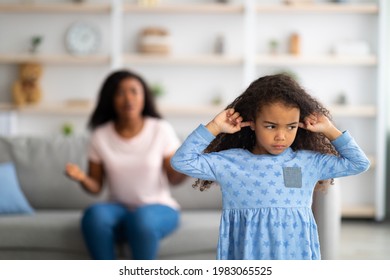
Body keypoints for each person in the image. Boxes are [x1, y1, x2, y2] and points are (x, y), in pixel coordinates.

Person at [170, 73, 370, 260]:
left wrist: (328, 129)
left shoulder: (308, 162)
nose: (281, 136)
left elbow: (359, 163)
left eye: (291, 126)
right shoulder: (230, 162)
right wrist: (214, 126)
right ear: (253, 123)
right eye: (271, 126)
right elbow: (182, 161)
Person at [65, 69, 186, 260]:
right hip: (117, 209)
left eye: (134, 91)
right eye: (120, 93)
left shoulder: (160, 129)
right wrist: (81, 178)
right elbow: (96, 186)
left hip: (158, 208)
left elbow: (174, 178)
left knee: (140, 221)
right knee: (94, 216)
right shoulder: (100, 136)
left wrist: (189, 166)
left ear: (144, 97)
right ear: (110, 99)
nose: (128, 98)